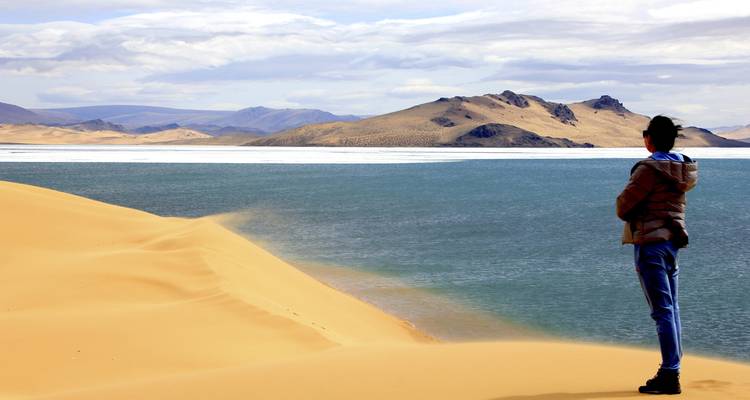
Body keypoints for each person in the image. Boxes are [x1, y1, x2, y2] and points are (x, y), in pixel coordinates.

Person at [616, 115, 698, 395]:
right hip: (672, 242)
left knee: (662, 310)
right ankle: (673, 368)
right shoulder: (682, 168)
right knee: (671, 308)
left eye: (645, 134)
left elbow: (623, 206)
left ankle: (669, 374)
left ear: (650, 138)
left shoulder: (649, 169)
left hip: (650, 244)